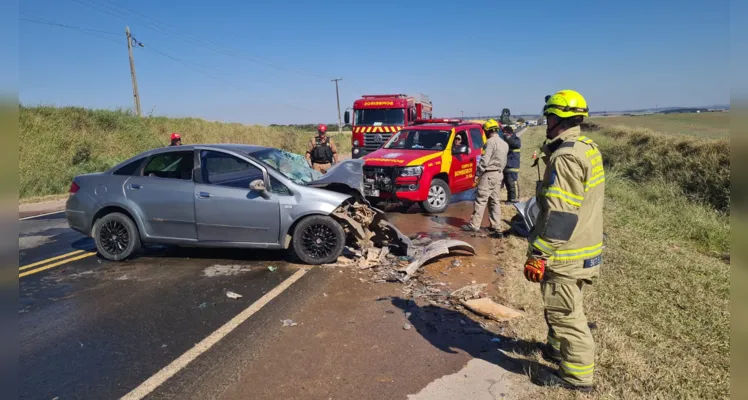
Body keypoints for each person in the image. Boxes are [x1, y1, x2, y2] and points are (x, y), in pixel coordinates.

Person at [523, 89, 604, 393]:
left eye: (549, 116)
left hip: (565, 252)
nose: (546, 121)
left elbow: (561, 215)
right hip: (583, 245)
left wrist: (539, 253)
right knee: (564, 306)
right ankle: (556, 350)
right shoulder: (585, 147)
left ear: (559, 118)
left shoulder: (567, 156)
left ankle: (576, 377)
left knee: (566, 315)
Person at [461, 119, 508, 235]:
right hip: (498, 174)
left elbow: (484, 160)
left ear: (487, 131)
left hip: (489, 174)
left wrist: (477, 174)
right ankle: (496, 226)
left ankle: (474, 225)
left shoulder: (490, 143)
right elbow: (504, 162)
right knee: (494, 201)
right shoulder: (504, 144)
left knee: (481, 200)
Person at [502, 126, 521, 202]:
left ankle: (513, 199)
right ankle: (509, 198)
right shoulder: (507, 140)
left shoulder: (515, 139)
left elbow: (515, 144)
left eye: (505, 133)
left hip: (512, 165)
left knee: (511, 183)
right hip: (507, 165)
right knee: (507, 183)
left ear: (508, 132)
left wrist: (507, 137)